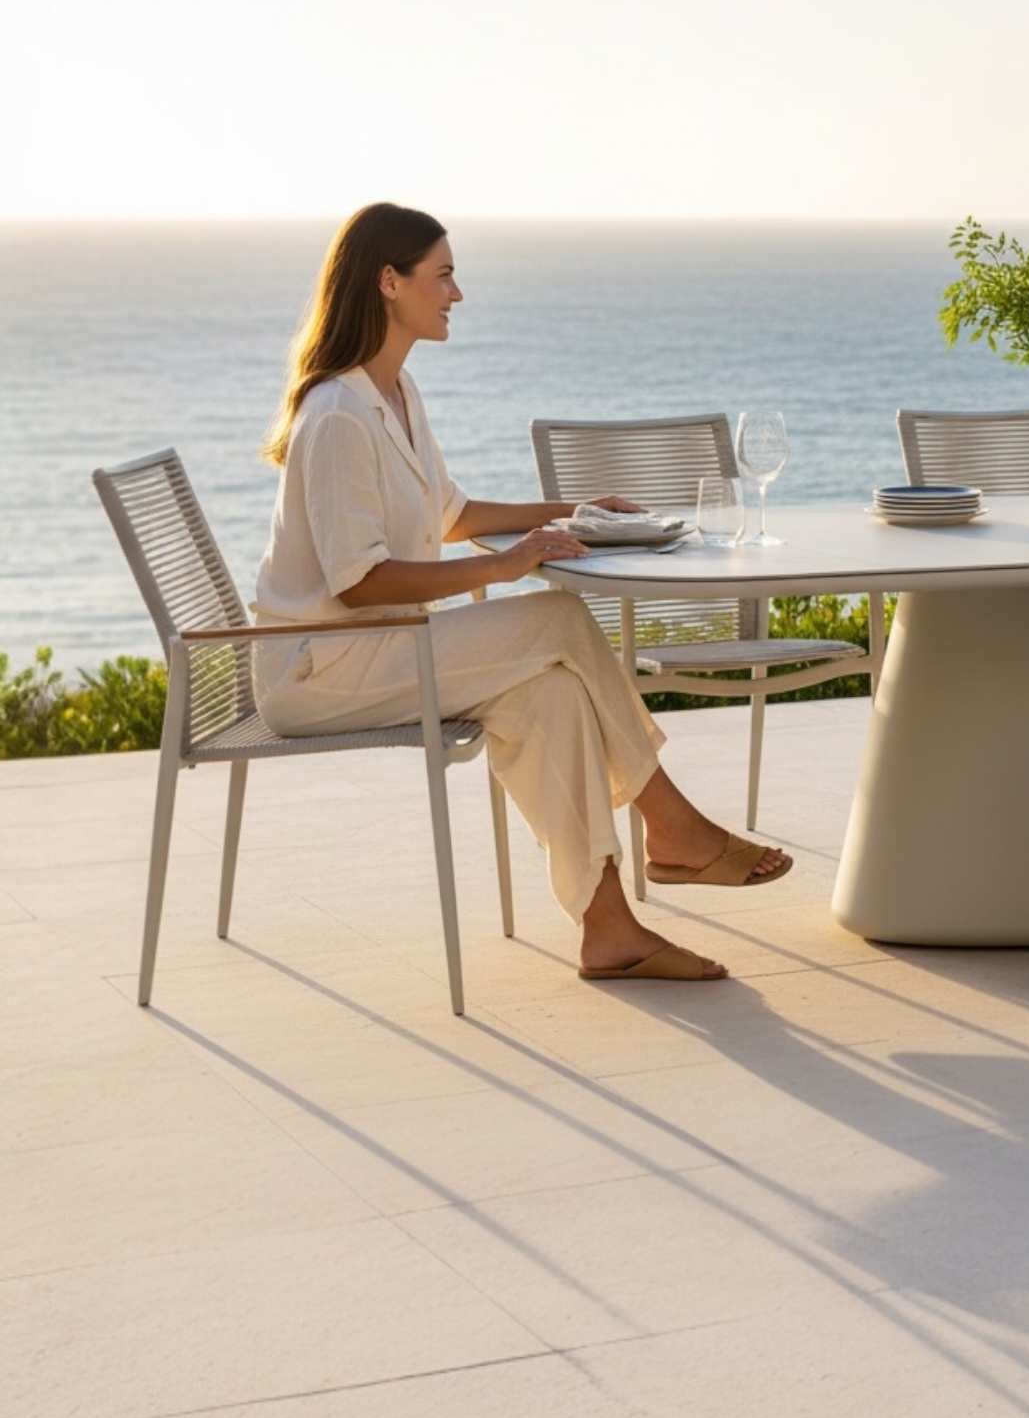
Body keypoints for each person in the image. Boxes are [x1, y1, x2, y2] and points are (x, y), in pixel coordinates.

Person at [253, 202, 789, 982]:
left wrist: (571, 510)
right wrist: (500, 569)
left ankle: (609, 930)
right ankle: (674, 829)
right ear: (389, 283)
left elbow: (455, 514)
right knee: (561, 618)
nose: (457, 295)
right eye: (443, 277)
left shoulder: (396, 397)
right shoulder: (338, 415)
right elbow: (359, 583)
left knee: (550, 699)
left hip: (380, 651)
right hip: (321, 672)